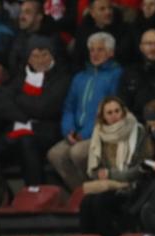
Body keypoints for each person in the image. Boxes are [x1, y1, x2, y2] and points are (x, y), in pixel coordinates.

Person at [48, 32, 123, 191]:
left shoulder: (116, 75)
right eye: (92, 50)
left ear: (111, 53)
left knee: (78, 153)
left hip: (102, 132)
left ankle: (96, 190)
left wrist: (86, 134)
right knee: (55, 154)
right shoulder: (80, 77)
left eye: (100, 49)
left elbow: (111, 110)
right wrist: (69, 130)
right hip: (77, 133)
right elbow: (69, 106)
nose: (95, 54)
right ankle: (80, 191)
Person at [79, 96, 152, 236]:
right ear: (103, 116)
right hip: (108, 185)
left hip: (132, 184)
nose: (114, 116)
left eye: (117, 111)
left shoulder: (137, 131)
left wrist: (111, 174)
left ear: (124, 111)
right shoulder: (99, 132)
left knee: (100, 202)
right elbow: (94, 170)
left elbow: (141, 168)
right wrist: (100, 173)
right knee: (86, 203)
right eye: (109, 112)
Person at [4, 36, 70, 185]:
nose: (40, 60)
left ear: (53, 55)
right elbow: (5, 104)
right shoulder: (20, 77)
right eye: (35, 55)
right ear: (28, 58)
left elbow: (44, 108)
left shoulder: (61, 77)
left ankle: (35, 189)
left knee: (27, 141)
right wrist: (25, 116)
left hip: (50, 129)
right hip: (20, 126)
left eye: (45, 54)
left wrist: (19, 99)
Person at [119, 29, 155, 121]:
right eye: (148, 43)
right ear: (141, 47)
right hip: (131, 124)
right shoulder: (129, 72)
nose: (153, 48)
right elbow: (122, 102)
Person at [71, 0, 136, 68]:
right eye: (102, 9)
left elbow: (126, 55)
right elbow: (77, 59)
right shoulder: (83, 31)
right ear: (92, 13)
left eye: (110, 8)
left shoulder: (125, 29)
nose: (108, 12)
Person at [7, 0, 65, 76]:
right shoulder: (19, 35)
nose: (21, 16)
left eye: (27, 12)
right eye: (21, 12)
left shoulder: (50, 41)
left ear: (39, 17)